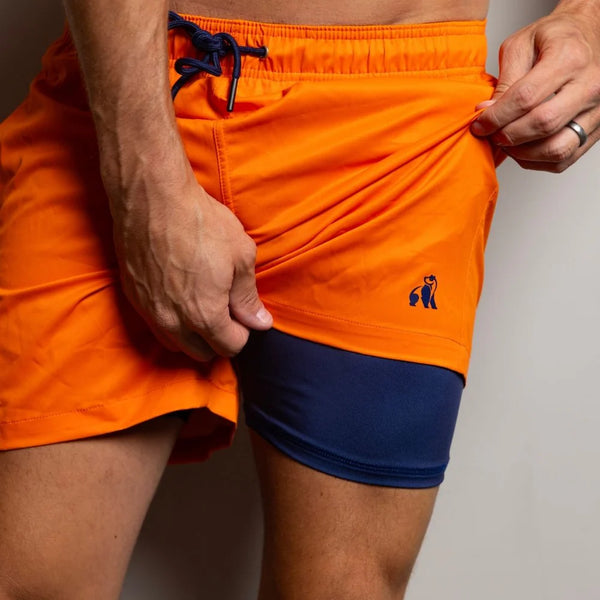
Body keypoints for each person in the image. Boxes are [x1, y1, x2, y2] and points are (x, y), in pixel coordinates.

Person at [0, 0, 598, 598]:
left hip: (397, 137)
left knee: (343, 589)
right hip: (128, 92)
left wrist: (588, 20)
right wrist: (145, 183)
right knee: (30, 580)